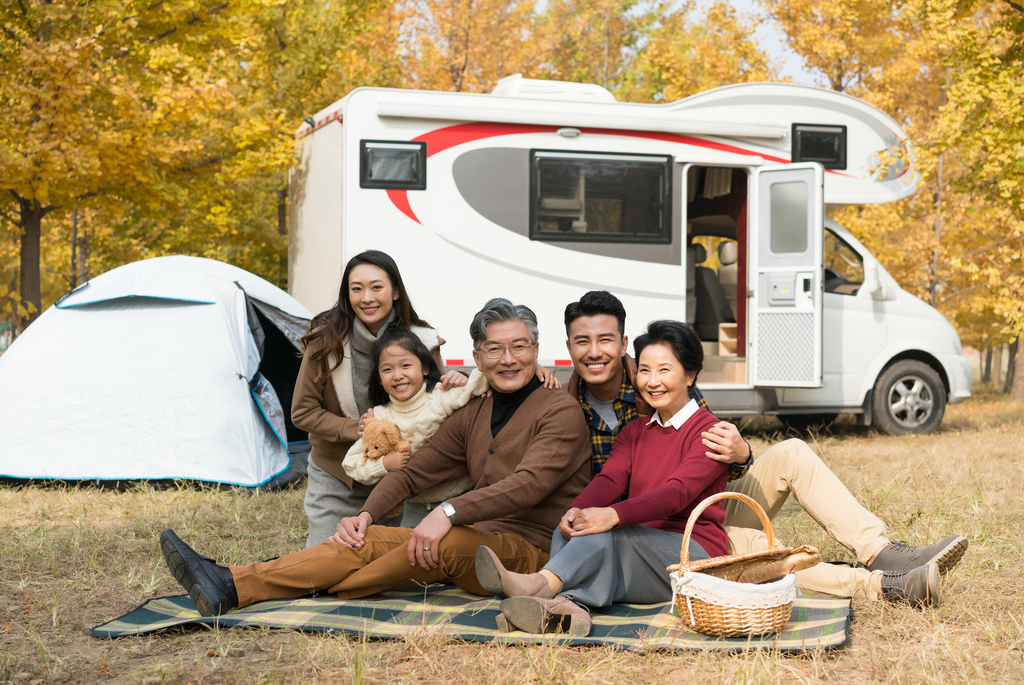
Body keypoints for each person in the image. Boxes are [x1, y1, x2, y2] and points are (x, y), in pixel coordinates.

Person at [159, 298, 592, 616]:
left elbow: (529, 484)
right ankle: (231, 585)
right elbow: (414, 473)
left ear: (536, 350)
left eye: (520, 347)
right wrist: (365, 515)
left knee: (393, 561)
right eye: (494, 350)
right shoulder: (472, 410)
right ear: (477, 357)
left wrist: (447, 510)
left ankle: (311, 584)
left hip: (532, 554)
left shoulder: (560, 411)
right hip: (474, 535)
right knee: (359, 540)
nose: (509, 359)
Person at [558, 290, 967, 606]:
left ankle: (882, 553)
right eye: (582, 342)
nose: (594, 352)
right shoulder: (562, 402)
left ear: (623, 343)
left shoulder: (656, 373)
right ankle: (884, 587)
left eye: (605, 340)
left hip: (698, 504)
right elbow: (609, 479)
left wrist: (743, 455)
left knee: (790, 451)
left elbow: (700, 459)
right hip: (651, 526)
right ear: (569, 347)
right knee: (754, 552)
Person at [475, 320, 728, 636]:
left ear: (690, 375)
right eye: (645, 371)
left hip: (693, 556)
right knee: (571, 528)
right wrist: (577, 510)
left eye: (665, 370)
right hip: (641, 550)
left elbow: (675, 493)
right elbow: (610, 480)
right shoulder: (635, 431)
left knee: (609, 533)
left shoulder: (711, 433)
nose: (653, 381)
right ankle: (570, 609)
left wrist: (613, 514)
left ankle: (536, 585)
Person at [341, 323, 489, 528]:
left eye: (405, 365)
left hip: (461, 498)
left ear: (425, 367)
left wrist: (462, 377)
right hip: (415, 507)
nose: (397, 375)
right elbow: (351, 464)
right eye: (387, 369)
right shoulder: (380, 417)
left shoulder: (441, 395)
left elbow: (486, 380)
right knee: (412, 554)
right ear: (379, 378)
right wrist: (385, 464)